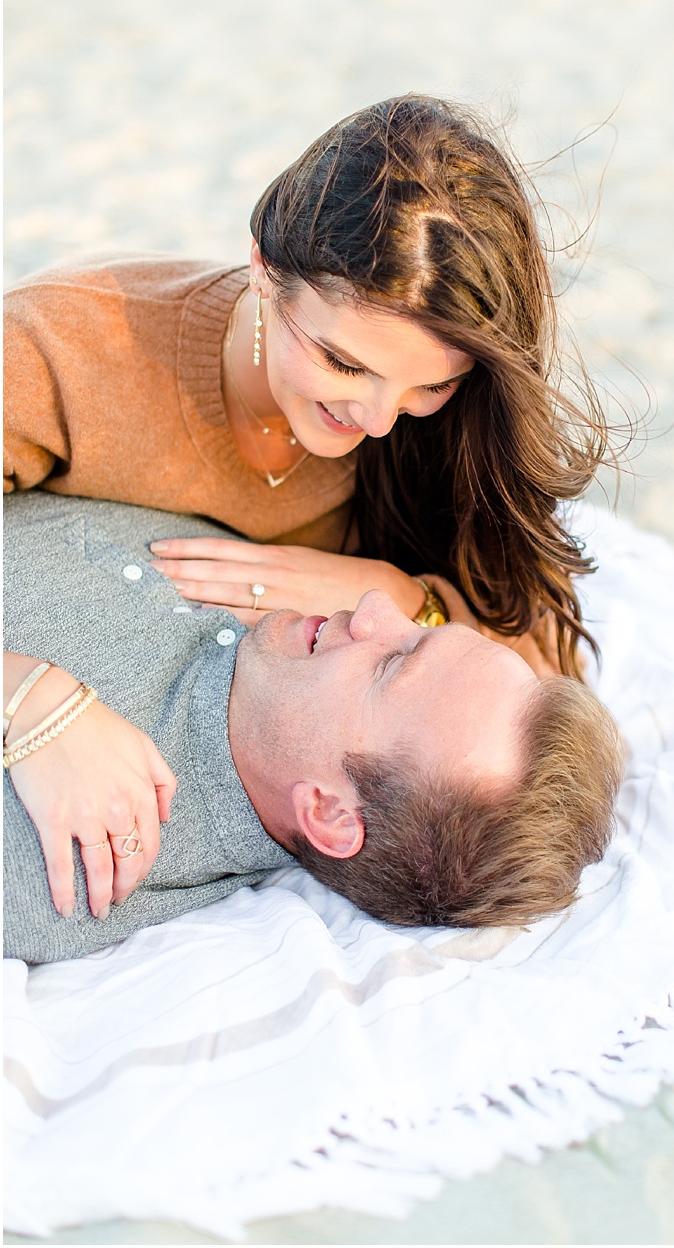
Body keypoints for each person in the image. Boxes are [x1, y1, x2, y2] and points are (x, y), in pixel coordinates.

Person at [4, 93, 613, 911]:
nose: (376, 419)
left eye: (430, 382)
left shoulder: (447, 430)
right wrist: (30, 699)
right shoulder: (67, 349)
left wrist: (403, 598)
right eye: (342, 361)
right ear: (263, 268)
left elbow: (532, 684)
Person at [3, 491, 625, 964]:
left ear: (327, 812)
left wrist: (22, 694)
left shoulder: (74, 847)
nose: (376, 607)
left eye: (391, 663)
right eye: (424, 629)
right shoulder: (284, 647)